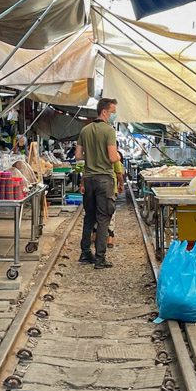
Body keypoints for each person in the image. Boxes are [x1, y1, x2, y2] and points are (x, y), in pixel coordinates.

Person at [76, 98, 120, 269]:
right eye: (113, 112)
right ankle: (100, 258)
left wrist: (92, 155)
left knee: (89, 217)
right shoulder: (109, 131)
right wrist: (117, 157)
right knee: (103, 219)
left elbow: (78, 155)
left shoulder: (85, 130)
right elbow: (112, 157)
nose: (114, 115)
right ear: (104, 112)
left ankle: (85, 253)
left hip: (88, 179)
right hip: (104, 180)